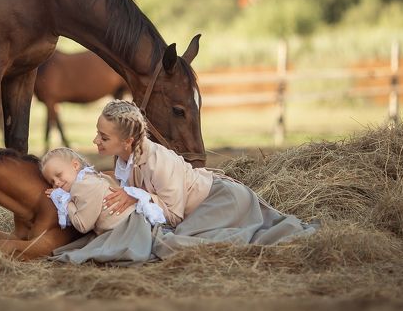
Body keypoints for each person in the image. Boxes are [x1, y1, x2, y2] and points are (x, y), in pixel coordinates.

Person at [50, 99, 318, 264]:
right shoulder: (123, 158)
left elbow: (174, 215)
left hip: (220, 200)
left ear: (128, 141)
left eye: (104, 137)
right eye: (98, 133)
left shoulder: (158, 161)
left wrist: (136, 196)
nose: (95, 140)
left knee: (172, 244)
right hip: (195, 206)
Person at [40, 147, 166, 263]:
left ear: (75, 165)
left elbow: (83, 225)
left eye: (59, 175)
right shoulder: (88, 178)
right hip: (124, 222)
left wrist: (67, 202)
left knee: (80, 254)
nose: (57, 183)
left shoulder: (83, 186)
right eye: (52, 182)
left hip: (127, 226)